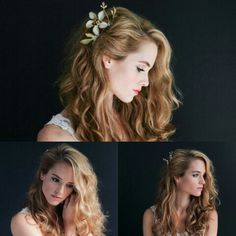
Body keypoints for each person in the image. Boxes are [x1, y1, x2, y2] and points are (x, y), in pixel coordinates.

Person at [37, 2, 181, 141]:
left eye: (148, 71)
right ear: (108, 58)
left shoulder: (137, 120)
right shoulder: (56, 135)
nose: (146, 82)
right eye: (140, 68)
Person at [11, 144, 106, 236]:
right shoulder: (23, 222)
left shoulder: (78, 219)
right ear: (43, 173)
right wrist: (69, 227)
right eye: (55, 180)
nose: (60, 191)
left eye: (69, 185)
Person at [143, 149, 218, 236]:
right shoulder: (151, 216)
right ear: (177, 177)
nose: (203, 181)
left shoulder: (208, 216)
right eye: (195, 175)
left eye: (204, 175)